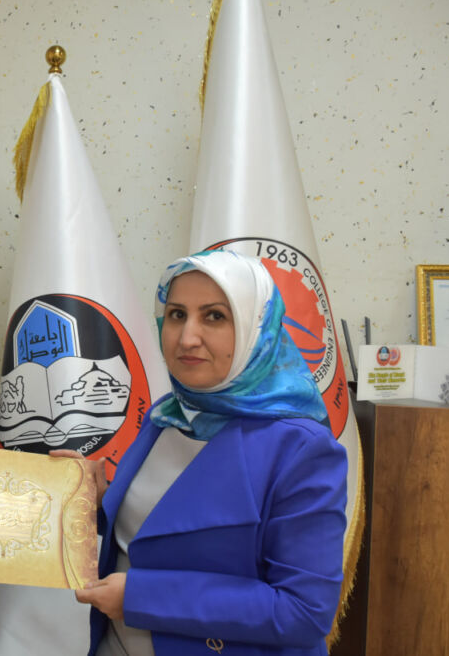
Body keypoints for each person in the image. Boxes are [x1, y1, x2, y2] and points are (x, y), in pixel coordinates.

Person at [74, 250, 347, 656]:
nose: (187, 337)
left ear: (257, 328)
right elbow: (154, 530)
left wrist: (141, 598)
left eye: (215, 316)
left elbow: (304, 612)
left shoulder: (301, 448)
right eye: (177, 314)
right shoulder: (167, 415)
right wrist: (96, 501)